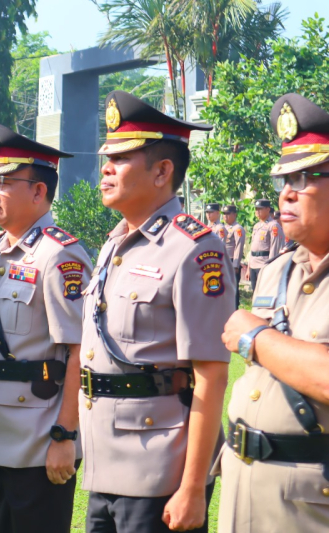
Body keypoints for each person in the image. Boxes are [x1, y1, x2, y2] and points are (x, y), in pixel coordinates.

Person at [78, 91, 236, 533]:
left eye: (121, 158)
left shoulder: (193, 250)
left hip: (160, 472)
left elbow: (211, 375)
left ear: (163, 171)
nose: (106, 168)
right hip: (106, 467)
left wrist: (192, 487)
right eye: (106, 156)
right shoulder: (115, 243)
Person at [0, 123, 92, 533]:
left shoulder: (60, 256)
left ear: (38, 191)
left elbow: (78, 352)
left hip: (38, 438)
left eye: (3, 182)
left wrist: (65, 436)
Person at [218, 92, 329, 532]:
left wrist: (255, 338)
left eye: (304, 177)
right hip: (248, 489)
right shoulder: (278, 271)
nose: (286, 192)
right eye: (283, 177)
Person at [247, 198, 284, 292]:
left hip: (264, 264)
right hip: (253, 264)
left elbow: (274, 248)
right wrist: (248, 267)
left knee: (264, 292)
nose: (257, 211)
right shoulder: (256, 226)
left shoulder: (273, 225)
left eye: (260, 209)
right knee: (255, 291)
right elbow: (252, 248)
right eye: (256, 209)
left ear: (268, 209)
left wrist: (269, 267)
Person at [221, 205, 246, 309]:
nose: (225, 216)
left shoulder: (238, 228)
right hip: (224, 260)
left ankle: (234, 309)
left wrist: (235, 265)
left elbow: (238, 247)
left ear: (234, 215)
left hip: (232, 261)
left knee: (233, 288)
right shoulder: (224, 228)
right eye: (224, 214)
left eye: (228, 214)